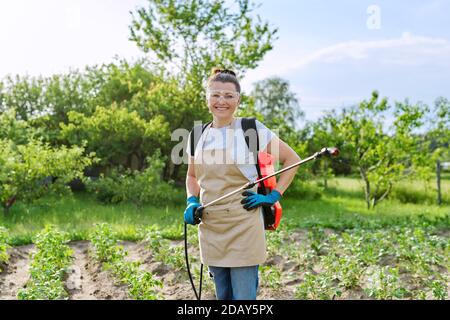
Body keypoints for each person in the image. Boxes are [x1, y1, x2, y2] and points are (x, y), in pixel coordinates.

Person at [184, 67, 301, 300]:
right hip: (211, 225)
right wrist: (191, 200)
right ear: (207, 97)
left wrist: (274, 195)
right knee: (222, 296)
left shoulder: (251, 129)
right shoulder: (197, 135)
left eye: (229, 96)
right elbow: (192, 176)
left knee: (244, 298)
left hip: (244, 223)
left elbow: (293, 160)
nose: (221, 101)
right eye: (216, 95)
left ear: (238, 99)